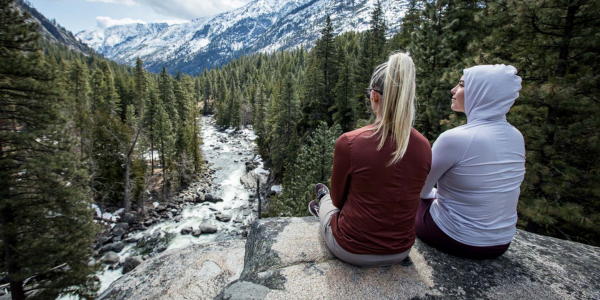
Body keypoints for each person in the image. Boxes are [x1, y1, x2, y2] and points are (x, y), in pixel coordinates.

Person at [307, 53, 432, 267]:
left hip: (351, 249)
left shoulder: (350, 142)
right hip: (401, 250)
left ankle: (321, 205)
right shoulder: (424, 146)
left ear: (374, 96)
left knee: (329, 201)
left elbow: (339, 201)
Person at [415, 64, 526, 259]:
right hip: (502, 243)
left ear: (481, 92)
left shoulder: (455, 138)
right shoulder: (516, 136)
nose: (453, 90)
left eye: (461, 85)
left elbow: (421, 190)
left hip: (456, 238)